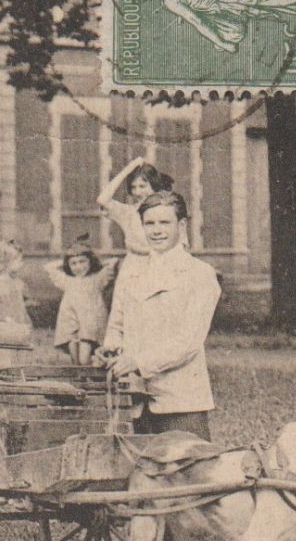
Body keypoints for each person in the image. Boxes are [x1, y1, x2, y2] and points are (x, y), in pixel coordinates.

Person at [102, 190, 222, 441]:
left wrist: (137, 362)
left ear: (181, 225)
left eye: (164, 223)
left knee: (191, 475)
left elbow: (188, 342)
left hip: (181, 402)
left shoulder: (199, 274)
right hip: (135, 401)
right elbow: (117, 324)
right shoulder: (131, 273)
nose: (156, 231)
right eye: (149, 223)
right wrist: (112, 346)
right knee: (142, 476)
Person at [43, 235, 116, 365]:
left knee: (84, 359)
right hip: (71, 325)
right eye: (74, 263)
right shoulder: (67, 281)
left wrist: (97, 262)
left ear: (90, 262)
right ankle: (82, 382)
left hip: (89, 327)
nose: (79, 267)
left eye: (83, 261)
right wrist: (67, 259)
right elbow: (49, 267)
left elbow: (114, 261)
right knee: (76, 362)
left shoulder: (96, 279)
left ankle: (93, 377)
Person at [97, 155, 174, 259]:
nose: (137, 192)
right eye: (133, 187)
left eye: (142, 186)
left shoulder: (168, 211)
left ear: (154, 186)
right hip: (134, 268)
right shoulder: (129, 213)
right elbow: (102, 199)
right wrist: (128, 169)